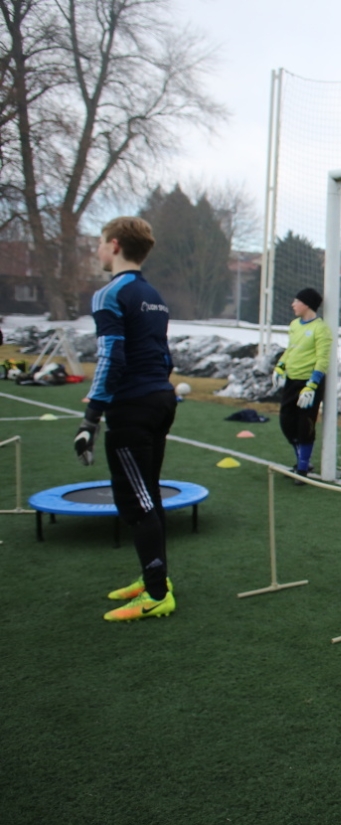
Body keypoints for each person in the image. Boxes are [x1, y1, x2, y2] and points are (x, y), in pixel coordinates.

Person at [74, 217, 177, 622]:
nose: (98, 250)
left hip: (133, 407)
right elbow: (162, 356)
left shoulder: (109, 294)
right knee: (149, 493)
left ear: (114, 245)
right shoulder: (153, 294)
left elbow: (110, 357)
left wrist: (90, 418)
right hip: (159, 400)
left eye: (100, 243)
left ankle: (156, 594)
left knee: (135, 502)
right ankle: (156, 578)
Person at [272, 288, 331, 482]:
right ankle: (301, 461)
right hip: (292, 380)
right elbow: (291, 349)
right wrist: (280, 366)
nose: (293, 305)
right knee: (286, 421)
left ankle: (303, 468)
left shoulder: (320, 328)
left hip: (309, 384)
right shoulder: (294, 325)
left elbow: (322, 359)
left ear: (306, 304)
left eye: (296, 301)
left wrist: (312, 385)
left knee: (305, 425)